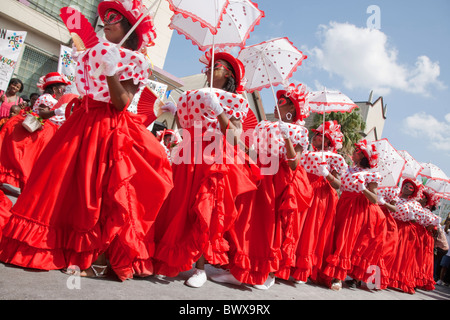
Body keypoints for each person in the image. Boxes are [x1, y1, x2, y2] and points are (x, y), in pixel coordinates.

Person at [0, 0, 173, 282]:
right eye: (105, 17)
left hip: (107, 127)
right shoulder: (93, 52)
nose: (106, 21)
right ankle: (44, 245)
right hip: (81, 122)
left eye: (114, 18)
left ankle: (94, 254)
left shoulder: (136, 61)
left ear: (129, 28)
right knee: (58, 183)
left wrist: (112, 72)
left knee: (95, 191)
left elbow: (121, 102)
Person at [152, 50, 258, 288]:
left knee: (205, 211)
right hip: (189, 153)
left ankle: (200, 268)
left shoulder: (236, 100)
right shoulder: (195, 95)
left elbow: (234, 136)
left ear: (228, 74)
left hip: (214, 157)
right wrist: (177, 111)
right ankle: (177, 259)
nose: (210, 69)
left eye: (216, 65)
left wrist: (218, 110)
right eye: (209, 65)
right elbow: (185, 125)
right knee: (180, 206)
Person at [210, 83, 313, 290]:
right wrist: (242, 147)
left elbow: (294, 163)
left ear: (293, 109)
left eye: (282, 102)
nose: (277, 104)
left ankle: (267, 272)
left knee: (270, 226)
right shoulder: (265, 125)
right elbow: (256, 152)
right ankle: (239, 269)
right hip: (258, 174)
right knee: (245, 222)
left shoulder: (299, 131)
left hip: (278, 181)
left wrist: (287, 138)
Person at [322, 139, 387, 291]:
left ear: (364, 157)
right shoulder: (349, 169)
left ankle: (338, 277)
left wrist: (363, 188)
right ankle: (325, 271)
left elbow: (374, 199)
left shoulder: (371, 175)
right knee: (334, 235)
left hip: (356, 210)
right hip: (342, 203)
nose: (354, 152)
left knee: (345, 240)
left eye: (358, 151)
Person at [291, 120, 347, 286]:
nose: (315, 136)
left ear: (328, 141)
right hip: (304, 188)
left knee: (310, 230)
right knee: (297, 226)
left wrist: (326, 174)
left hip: (321, 196)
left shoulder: (335, 158)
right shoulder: (307, 152)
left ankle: (304, 269)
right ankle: (290, 265)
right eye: (315, 134)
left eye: (319, 135)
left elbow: (338, 184)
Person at [0, 73, 69, 190]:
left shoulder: (53, 99)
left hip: (46, 133)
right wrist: (56, 112)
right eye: (62, 89)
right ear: (55, 89)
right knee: (28, 161)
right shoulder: (47, 98)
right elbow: (42, 113)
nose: (63, 92)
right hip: (38, 133)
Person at [387, 178, 423, 294]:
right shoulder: (394, 196)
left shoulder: (414, 204)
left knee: (399, 254)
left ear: (413, 192)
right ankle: (382, 275)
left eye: (411, 187)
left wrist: (413, 218)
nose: (407, 188)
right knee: (387, 251)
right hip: (389, 224)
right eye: (406, 185)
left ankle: (394, 279)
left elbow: (419, 220)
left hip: (404, 230)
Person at [437, 216, 450, 286]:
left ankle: (447, 281)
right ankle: (440, 279)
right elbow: (446, 230)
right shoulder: (447, 229)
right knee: (443, 266)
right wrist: (448, 223)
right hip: (446, 252)